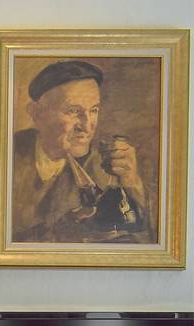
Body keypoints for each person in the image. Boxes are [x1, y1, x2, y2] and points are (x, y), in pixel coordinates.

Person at [10, 59, 153, 243]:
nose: (87, 126)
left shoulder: (103, 166)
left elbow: (148, 239)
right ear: (37, 113)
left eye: (93, 110)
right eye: (73, 111)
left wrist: (134, 184)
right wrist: (56, 234)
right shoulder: (8, 155)